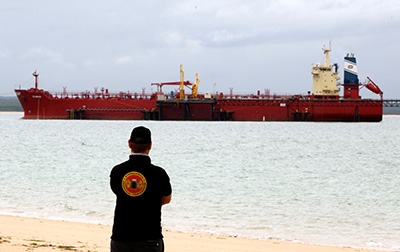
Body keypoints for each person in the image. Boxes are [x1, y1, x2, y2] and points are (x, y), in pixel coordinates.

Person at [110, 126, 172, 252]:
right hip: (149, 236)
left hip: (121, 236)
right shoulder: (159, 173)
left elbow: (119, 192)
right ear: (150, 145)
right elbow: (166, 199)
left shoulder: (117, 171)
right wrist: (149, 200)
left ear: (129, 144)